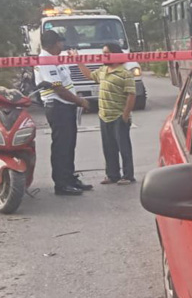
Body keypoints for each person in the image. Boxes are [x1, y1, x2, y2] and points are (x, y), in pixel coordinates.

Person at [35, 30, 92, 197]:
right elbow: (58, 89)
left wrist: (75, 99)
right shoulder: (45, 60)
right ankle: (62, 183)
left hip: (66, 107)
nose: (62, 45)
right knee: (61, 146)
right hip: (58, 107)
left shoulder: (56, 59)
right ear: (54, 44)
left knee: (69, 145)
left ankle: (69, 178)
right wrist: (80, 101)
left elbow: (65, 84)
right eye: (60, 42)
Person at [77, 42, 136, 185]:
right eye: (103, 53)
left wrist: (125, 115)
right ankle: (112, 174)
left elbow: (131, 95)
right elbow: (89, 75)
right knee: (109, 148)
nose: (103, 56)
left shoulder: (125, 73)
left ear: (115, 55)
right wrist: (78, 61)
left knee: (124, 148)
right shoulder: (103, 70)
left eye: (106, 53)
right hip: (104, 116)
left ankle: (128, 176)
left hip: (118, 116)